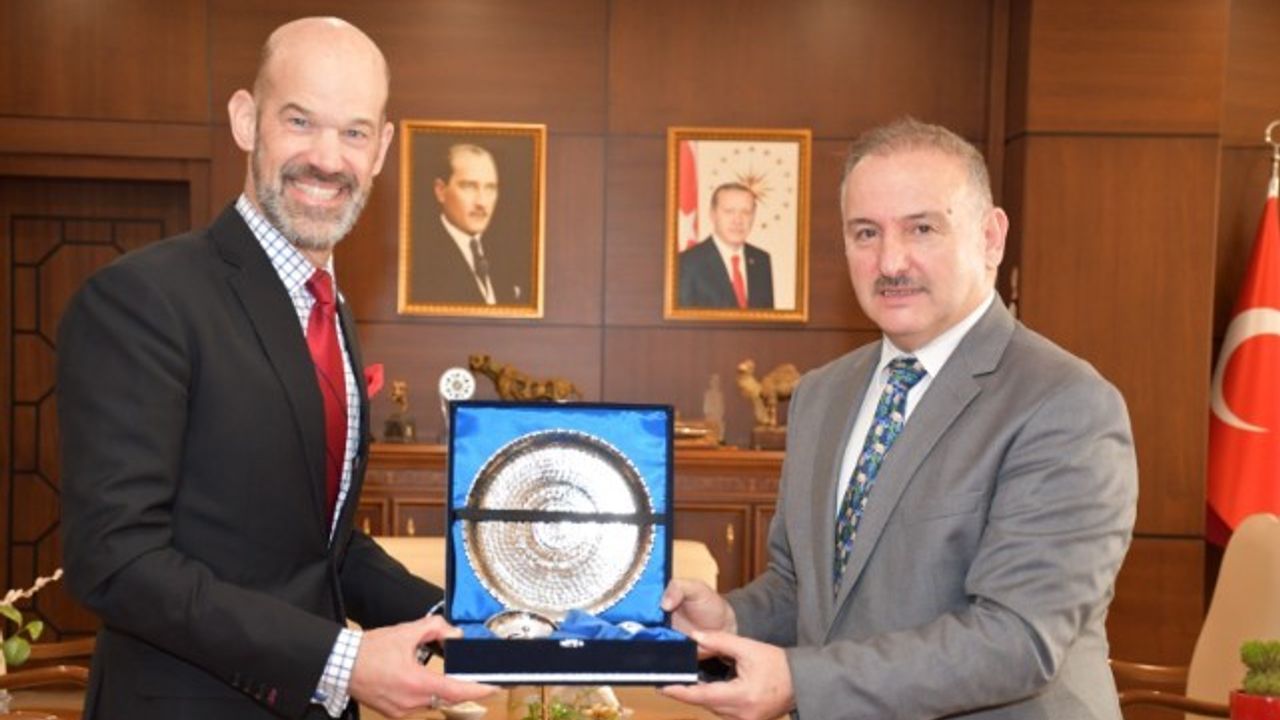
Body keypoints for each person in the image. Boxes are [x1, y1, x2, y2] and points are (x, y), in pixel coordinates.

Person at [56, 17, 493, 719]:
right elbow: (117, 560)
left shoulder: (329, 309)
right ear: (245, 120)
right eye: (299, 121)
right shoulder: (142, 298)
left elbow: (319, 546)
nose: (327, 158)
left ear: (381, 148)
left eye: (354, 132)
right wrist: (342, 662)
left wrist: (474, 621)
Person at [660, 118, 1138, 719]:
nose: (890, 261)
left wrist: (804, 682)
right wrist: (731, 618)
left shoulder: (1066, 404)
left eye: (922, 228)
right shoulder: (821, 395)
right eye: (866, 233)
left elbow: (1017, 640)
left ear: (991, 238)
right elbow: (808, 587)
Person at [409, 143, 528, 305]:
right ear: (440, 190)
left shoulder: (508, 257)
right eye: (469, 187)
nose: (482, 202)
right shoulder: (418, 261)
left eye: (490, 188)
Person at [678, 182, 775, 309]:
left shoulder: (761, 260)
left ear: (753, 216)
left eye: (746, 212)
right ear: (712, 214)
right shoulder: (687, 263)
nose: (738, 220)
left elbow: (767, 318)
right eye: (729, 211)